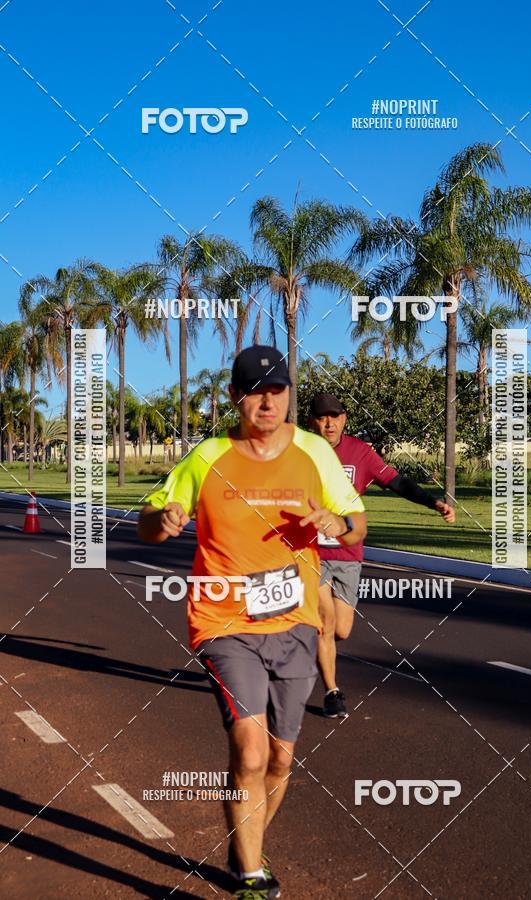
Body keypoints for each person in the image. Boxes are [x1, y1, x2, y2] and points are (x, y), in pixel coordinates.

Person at [138, 348, 367, 900]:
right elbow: (149, 520)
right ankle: (250, 876)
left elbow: (357, 524)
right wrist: (162, 520)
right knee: (251, 752)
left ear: (288, 393)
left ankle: (247, 844)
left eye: (277, 390)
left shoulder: (314, 452)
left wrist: (337, 523)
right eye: (255, 391)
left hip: (295, 623)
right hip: (223, 622)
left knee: (281, 760)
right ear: (235, 397)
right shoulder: (208, 457)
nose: (268, 402)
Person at [308, 392, 455, 719]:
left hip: (348, 550)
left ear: (344, 418)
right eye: (322, 417)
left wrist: (433, 503)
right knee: (324, 622)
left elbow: (396, 482)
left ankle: (304, 641)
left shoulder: (360, 452)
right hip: (309, 551)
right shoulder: (300, 452)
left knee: (341, 630)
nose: (329, 423)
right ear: (311, 422)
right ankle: (332, 692)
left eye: (335, 416)